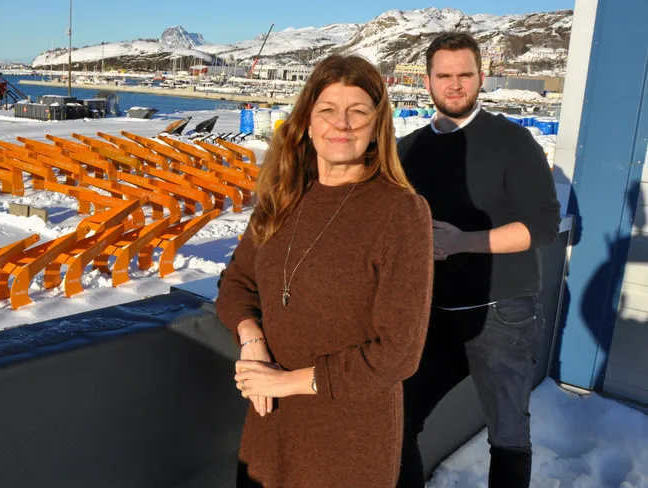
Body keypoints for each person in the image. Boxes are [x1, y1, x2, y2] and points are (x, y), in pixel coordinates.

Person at [216, 55, 434, 487]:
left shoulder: (401, 211)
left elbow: (399, 351)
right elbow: (237, 283)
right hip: (269, 423)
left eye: (358, 112)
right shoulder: (283, 197)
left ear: (377, 127)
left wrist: (288, 382)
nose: (343, 124)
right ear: (307, 123)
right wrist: (252, 339)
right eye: (328, 111)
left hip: (349, 436)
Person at [395, 32, 561, 488]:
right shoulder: (406, 150)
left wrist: (465, 241)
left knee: (507, 435)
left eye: (464, 75)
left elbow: (543, 225)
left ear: (481, 78)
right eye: (443, 75)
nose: (454, 84)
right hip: (429, 316)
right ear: (426, 81)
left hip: (501, 313)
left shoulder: (512, 141)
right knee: (395, 421)